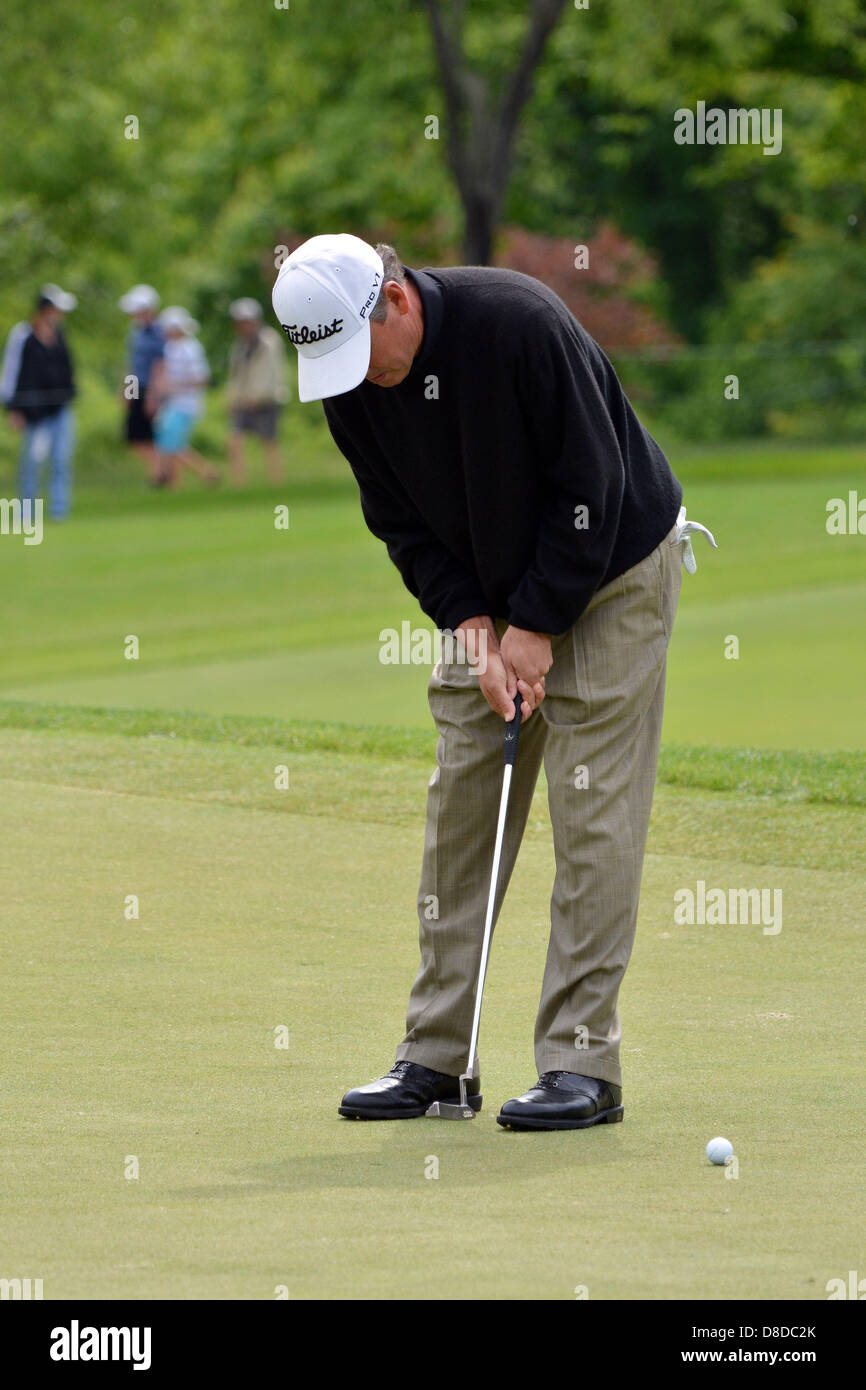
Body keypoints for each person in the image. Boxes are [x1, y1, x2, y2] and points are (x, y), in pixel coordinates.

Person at [273, 233, 716, 1131]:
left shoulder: (518, 323)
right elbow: (398, 521)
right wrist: (472, 623)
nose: (355, 379)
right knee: (462, 807)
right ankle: (440, 1058)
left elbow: (590, 485)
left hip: (614, 569)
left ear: (395, 301)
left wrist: (539, 627)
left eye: (361, 354)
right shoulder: (349, 379)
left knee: (590, 809)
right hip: (494, 589)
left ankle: (583, 1065)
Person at [1, 284, 77, 519]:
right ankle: (26, 511)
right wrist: (12, 407)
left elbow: (67, 369)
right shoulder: (23, 335)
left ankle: (59, 510)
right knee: (33, 461)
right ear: (46, 308)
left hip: (60, 407)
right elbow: (11, 371)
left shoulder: (60, 335)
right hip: (33, 411)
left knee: (61, 459)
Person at [148, 306, 218, 487]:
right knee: (169, 443)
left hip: (187, 404)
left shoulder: (191, 348)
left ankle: (178, 478)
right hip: (172, 404)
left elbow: (201, 379)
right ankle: (179, 478)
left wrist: (175, 387)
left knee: (171, 444)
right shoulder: (170, 348)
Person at [226, 297, 289, 486]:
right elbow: (236, 376)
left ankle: (276, 482)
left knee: (269, 442)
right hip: (243, 401)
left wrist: (257, 396)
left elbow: (273, 373)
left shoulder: (269, 342)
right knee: (235, 441)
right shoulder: (240, 346)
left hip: (267, 400)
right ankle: (239, 483)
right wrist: (233, 398)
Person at [118, 284, 164, 484]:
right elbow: (132, 365)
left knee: (157, 437)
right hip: (138, 388)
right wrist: (128, 392)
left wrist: (154, 396)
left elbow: (158, 366)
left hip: (151, 389)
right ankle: (159, 473)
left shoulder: (157, 332)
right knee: (135, 437)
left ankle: (159, 475)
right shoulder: (135, 332)